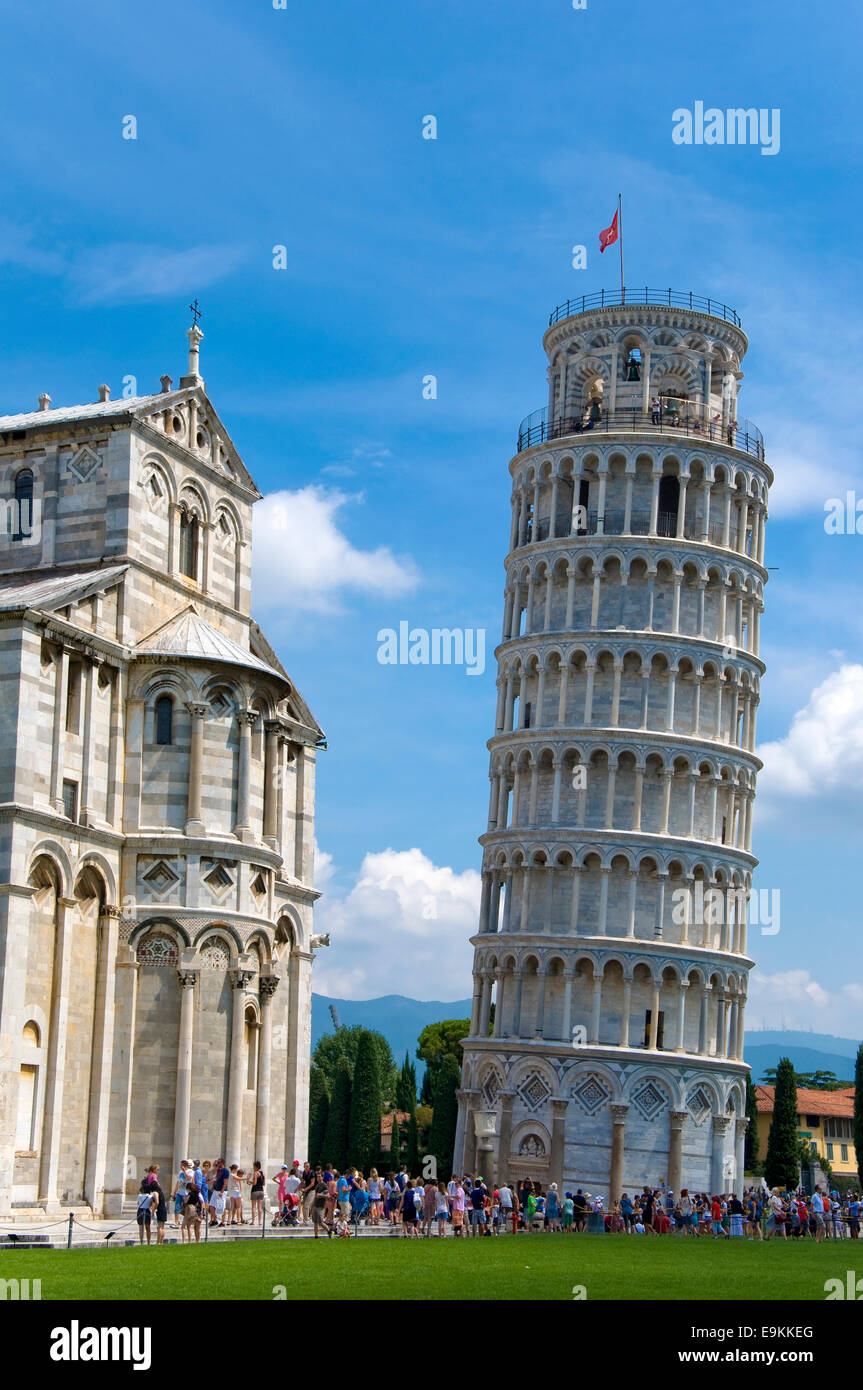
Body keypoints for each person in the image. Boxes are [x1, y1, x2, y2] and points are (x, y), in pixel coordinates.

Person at [137, 1180, 157, 1245]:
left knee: (141, 1228)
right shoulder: (150, 1197)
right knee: (148, 1228)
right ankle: (148, 1242)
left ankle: (141, 1242)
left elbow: (138, 1203)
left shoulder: (139, 1196)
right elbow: (151, 1204)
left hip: (140, 1210)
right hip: (147, 1210)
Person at [311, 1167, 330, 1238]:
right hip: (316, 1205)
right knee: (315, 1222)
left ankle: (329, 1230)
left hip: (321, 1206)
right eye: (317, 1177)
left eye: (319, 1177)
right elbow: (315, 1196)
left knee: (320, 1222)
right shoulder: (317, 1185)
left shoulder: (324, 1185)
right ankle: (316, 1236)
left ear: (322, 1177)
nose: (318, 1178)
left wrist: (321, 1195)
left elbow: (328, 1195)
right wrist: (312, 1207)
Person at [249, 1161, 266, 1227]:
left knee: (253, 1206)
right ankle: (260, 1221)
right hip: (261, 1190)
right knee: (259, 1207)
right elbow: (263, 1183)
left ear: (256, 1166)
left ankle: (253, 1221)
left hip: (255, 1190)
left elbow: (254, 1183)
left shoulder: (256, 1173)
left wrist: (249, 1182)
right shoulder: (263, 1173)